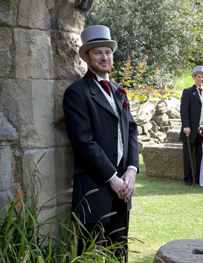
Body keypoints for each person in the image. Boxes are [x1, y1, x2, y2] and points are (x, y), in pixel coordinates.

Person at [63, 25, 139, 260]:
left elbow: (132, 131)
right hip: (94, 188)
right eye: (98, 53)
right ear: (86, 57)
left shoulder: (119, 91)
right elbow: (83, 141)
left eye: (108, 52)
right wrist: (112, 178)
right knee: (92, 252)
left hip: (123, 189)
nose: (104, 57)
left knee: (119, 251)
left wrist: (131, 170)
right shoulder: (77, 92)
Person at [179, 66, 203, 186]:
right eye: (198, 76)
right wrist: (186, 126)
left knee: (200, 154)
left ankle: (198, 177)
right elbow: (184, 110)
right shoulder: (188, 92)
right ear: (194, 77)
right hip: (189, 129)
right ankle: (188, 178)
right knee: (188, 155)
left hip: (202, 130)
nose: (201, 79)